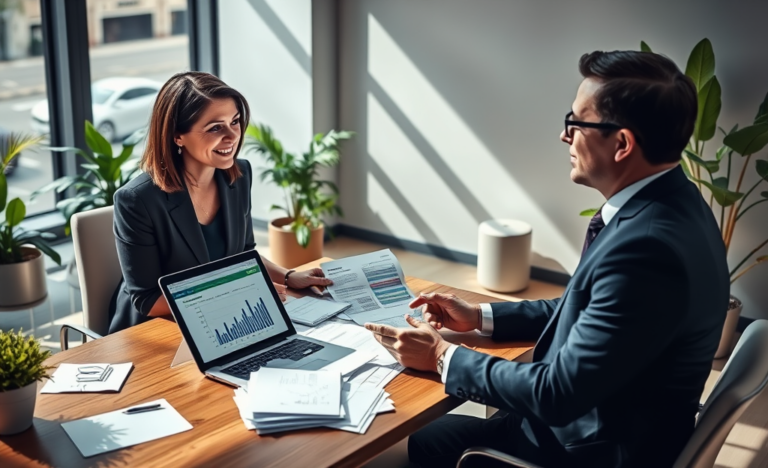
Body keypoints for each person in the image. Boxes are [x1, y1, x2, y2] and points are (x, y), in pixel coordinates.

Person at [365, 51, 730, 468]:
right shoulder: (674, 204)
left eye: (576, 123)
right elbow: (586, 309)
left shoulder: (645, 249)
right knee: (435, 435)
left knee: (422, 443)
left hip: (591, 449)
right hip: (622, 422)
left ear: (623, 143)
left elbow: (557, 395)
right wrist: (480, 317)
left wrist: (440, 357)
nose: (564, 135)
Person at [109, 72, 330, 333]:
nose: (232, 136)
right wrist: (238, 294)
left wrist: (289, 276)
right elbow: (146, 300)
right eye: (215, 127)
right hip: (156, 330)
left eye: (235, 121)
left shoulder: (239, 175)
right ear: (177, 135)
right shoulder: (137, 200)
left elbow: (244, 254)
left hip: (223, 322)